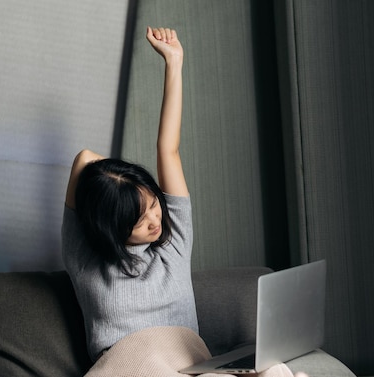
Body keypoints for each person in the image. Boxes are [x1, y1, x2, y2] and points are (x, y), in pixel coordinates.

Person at [62, 27, 305, 377]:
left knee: (276, 369)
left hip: (189, 366)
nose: (154, 220)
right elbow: (84, 159)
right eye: (138, 219)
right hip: (131, 367)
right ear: (110, 229)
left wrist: (174, 62)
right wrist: (112, 195)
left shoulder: (172, 243)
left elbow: (168, 150)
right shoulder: (86, 261)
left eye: (152, 204)